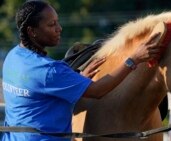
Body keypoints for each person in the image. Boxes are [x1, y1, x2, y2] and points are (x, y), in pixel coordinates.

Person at [1, 0, 162, 141]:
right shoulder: (50, 71)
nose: (59, 28)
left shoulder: (13, 57)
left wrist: (75, 81)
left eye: (57, 22)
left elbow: (39, 94)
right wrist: (133, 59)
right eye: (51, 25)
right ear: (32, 31)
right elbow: (98, 91)